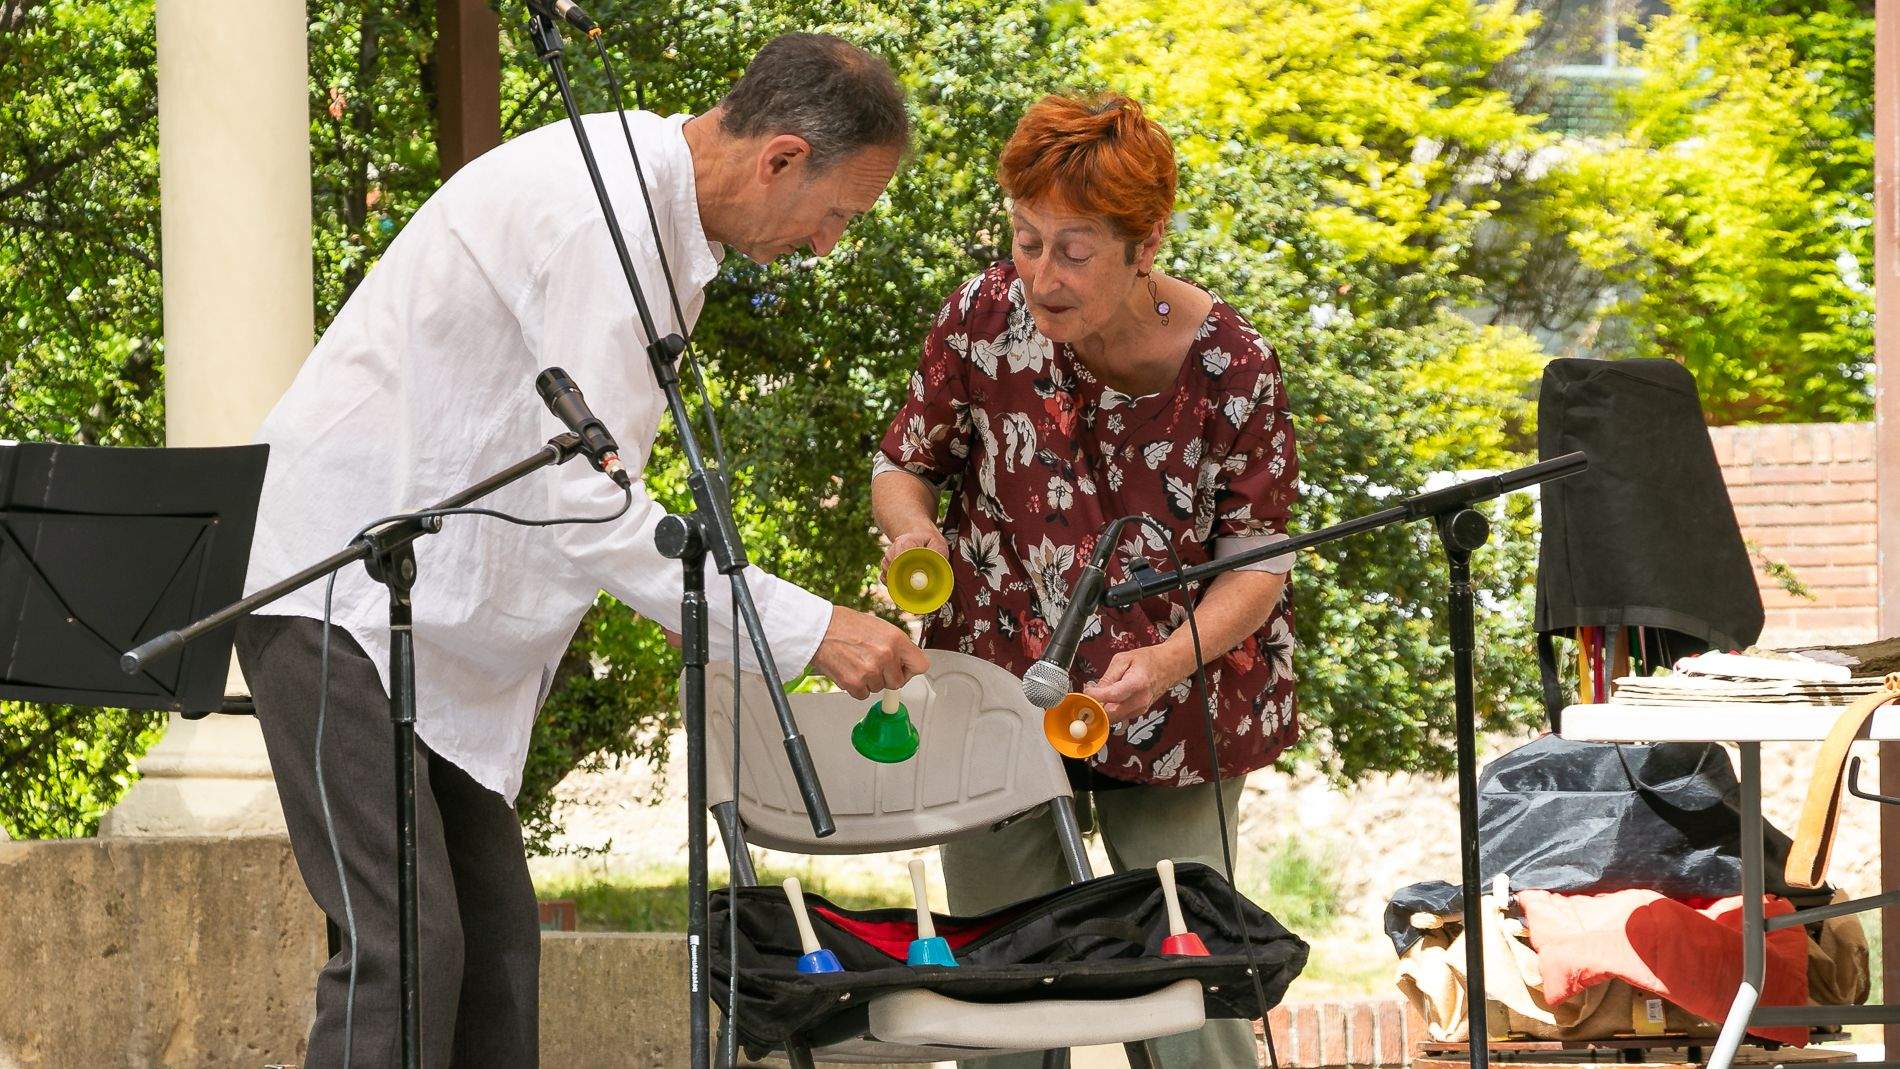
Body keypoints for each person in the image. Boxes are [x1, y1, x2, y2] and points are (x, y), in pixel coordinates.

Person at [237, 34, 928, 1067]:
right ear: (781, 157)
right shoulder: (597, 220)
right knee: (406, 947)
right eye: (840, 213)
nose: (827, 244)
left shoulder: (655, 227)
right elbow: (588, 505)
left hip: (432, 619)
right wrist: (809, 630)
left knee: (499, 953)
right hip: (335, 588)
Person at [872, 93, 1299, 1067]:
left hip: (1177, 692)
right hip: (996, 685)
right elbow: (903, 463)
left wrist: (1161, 662)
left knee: (1187, 986)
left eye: (1074, 250)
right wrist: (908, 535)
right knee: (1001, 986)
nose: (1040, 276)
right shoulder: (984, 317)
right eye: (1026, 241)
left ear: (1145, 241)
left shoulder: (1234, 368)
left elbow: (1256, 564)